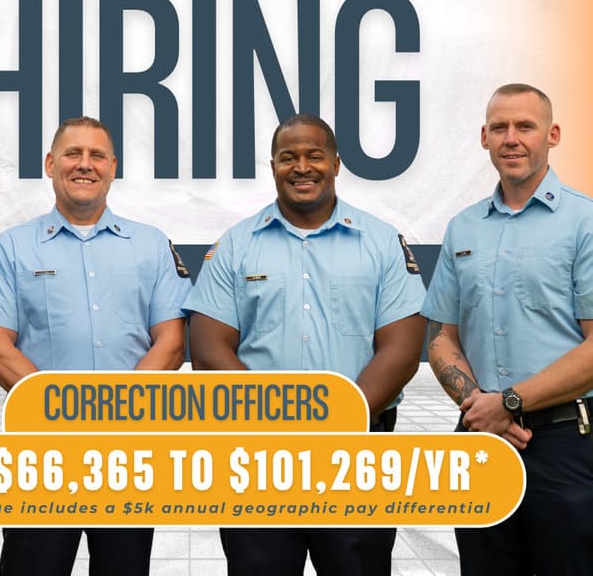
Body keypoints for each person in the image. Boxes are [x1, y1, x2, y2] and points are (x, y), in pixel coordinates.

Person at [188, 113, 426, 576]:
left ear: (335, 164)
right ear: (272, 166)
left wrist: (338, 421)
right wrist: (274, 421)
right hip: (257, 459)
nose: (302, 167)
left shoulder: (381, 242)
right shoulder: (235, 245)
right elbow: (208, 349)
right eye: (288, 157)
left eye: (314, 156)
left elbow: (401, 350)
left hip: (357, 455)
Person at [0, 116, 191, 576]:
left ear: (113, 168)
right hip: (41, 455)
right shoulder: (12, 248)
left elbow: (171, 343)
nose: (84, 165)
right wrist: (66, 412)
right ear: (51, 164)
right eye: (73, 154)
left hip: (127, 454)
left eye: (96, 156)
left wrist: (117, 413)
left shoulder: (151, 246)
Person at [423, 83, 593, 575]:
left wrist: (510, 403)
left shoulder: (584, 222)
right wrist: (480, 407)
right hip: (480, 438)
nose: (511, 138)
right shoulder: (463, 227)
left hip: (565, 444)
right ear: (484, 138)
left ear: (552, 135)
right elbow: (441, 335)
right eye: (499, 128)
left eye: (525, 126)